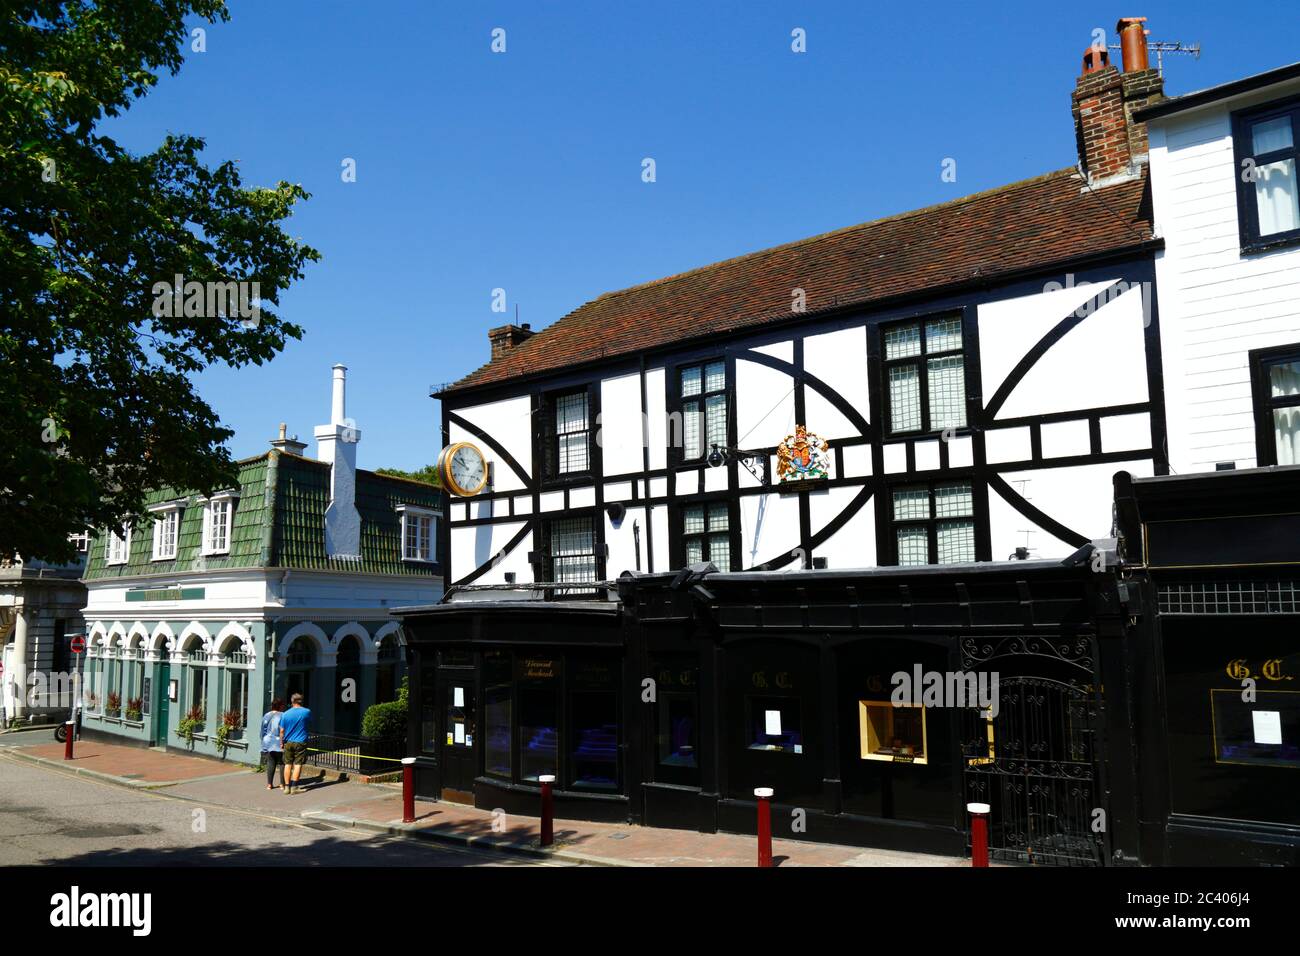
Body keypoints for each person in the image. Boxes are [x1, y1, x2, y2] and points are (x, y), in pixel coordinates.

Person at [279, 692, 312, 794]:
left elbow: (281, 731)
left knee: (287, 764)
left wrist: (281, 742)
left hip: (288, 742)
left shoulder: (285, 714)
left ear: (292, 701)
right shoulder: (307, 712)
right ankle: (294, 787)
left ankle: (286, 788)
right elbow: (309, 723)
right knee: (298, 764)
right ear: (301, 701)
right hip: (301, 742)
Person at [260, 698, 286, 790]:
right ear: (280, 706)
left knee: (270, 762)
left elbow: (262, 730)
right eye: (283, 705)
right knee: (282, 763)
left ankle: (269, 784)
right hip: (278, 741)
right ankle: (282, 784)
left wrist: (263, 740)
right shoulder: (283, 715)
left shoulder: (266, 715)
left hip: (267, 741)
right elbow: (283, 730)